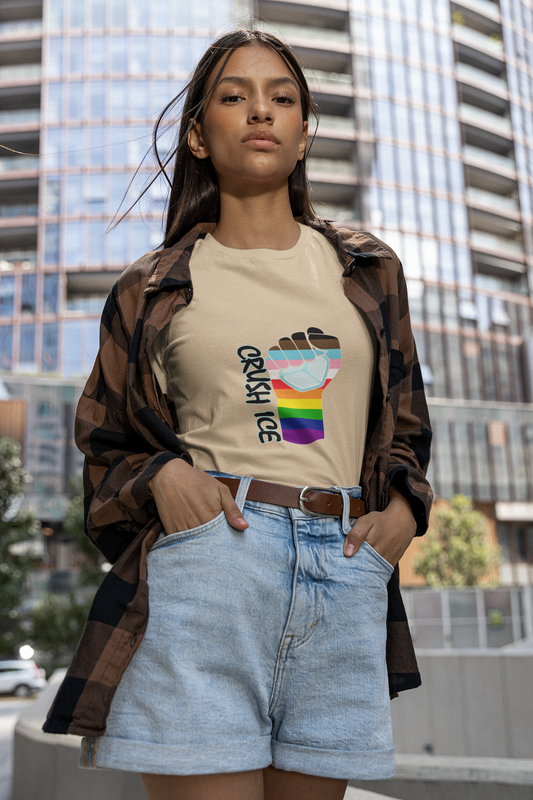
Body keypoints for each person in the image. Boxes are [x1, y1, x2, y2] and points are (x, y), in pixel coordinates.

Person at [43, 29, 433, 800]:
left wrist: (402, 512)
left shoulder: (367, 269)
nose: (261, 111)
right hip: (214, 564)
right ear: (197, 134)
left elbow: (407, 426)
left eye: (282, 98)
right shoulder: (151, 287)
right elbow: (102, 437)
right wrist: (162, 477)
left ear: (301, 132)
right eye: (234, 96)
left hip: (346, 568)